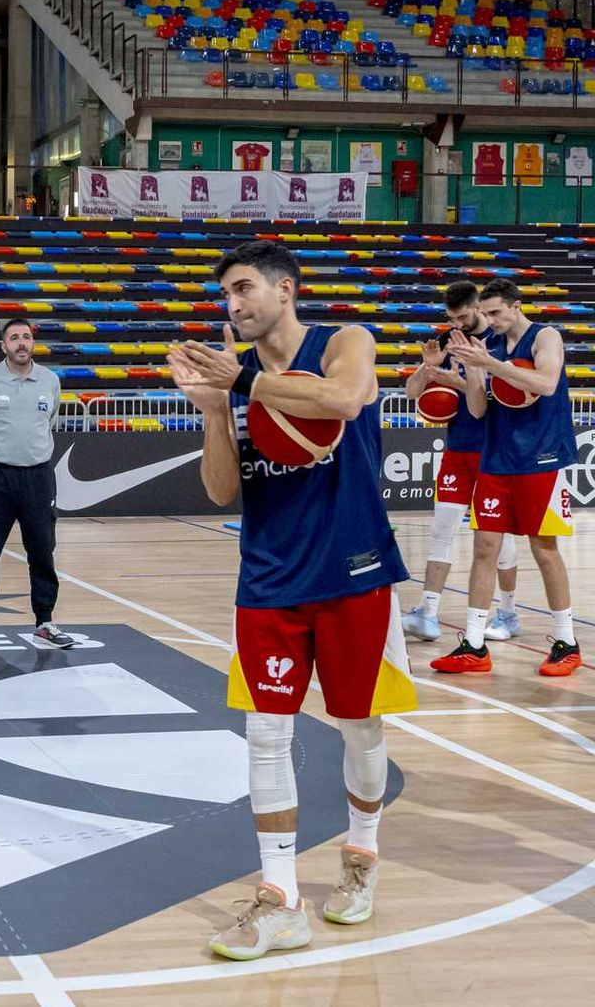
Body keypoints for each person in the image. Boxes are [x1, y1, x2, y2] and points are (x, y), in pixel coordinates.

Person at [167, 240, 414, 960]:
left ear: (285, 289)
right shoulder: (235, 381)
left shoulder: (345, 341)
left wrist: (241, 382)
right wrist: (217, 410)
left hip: (354, 571)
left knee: (361, 726)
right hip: (270, 579)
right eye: (226, 296)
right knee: (266, 736)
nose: (233, 304)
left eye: (243, 288)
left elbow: (343, 400)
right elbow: (220, 489)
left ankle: (361, 859)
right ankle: (281, 898)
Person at [434, 277, 582, 677]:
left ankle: (566, 641)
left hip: (542, 457)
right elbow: (480, 411)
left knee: (543, 547)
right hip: (497, 457)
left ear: (516, 307)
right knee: (484, 548)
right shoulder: (490, 347)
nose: (491, 319)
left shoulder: (544, 336)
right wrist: (470, 375)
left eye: (497, 312)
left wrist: (491, 366)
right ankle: (475, 644)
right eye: (488, 313)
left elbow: (546, 383)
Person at [400, 282, 521, 643]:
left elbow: (503, 397)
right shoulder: (446, 339)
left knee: (500, 540)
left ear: (479, 309)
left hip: (493, 452)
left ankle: (509, 612)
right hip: (457, 450)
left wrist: (464, 381)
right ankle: (428, 611)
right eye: (451, 318)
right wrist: (428, 368)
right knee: (442, 530)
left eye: (463, 317)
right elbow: (411, 392)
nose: (457, 323)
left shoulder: (500, 344)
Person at [0, 317, 72, 653]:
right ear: (3, 345)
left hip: (37, 478)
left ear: (32, 343)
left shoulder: (49, 382)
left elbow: (49, 422)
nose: (21, 343)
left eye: (26, 337)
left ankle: (45, 622)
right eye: (14, 338)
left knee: (42, 551)